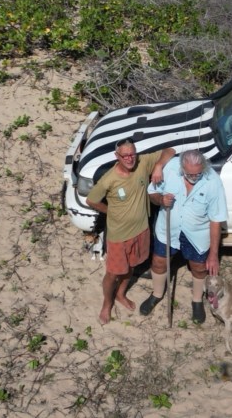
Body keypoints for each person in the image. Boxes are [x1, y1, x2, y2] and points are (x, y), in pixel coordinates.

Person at [86, 138, 175, 325]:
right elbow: (92, 200)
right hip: (119, 236)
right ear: (117, 156)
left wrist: (158, 166)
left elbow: (170, 150)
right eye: (125, 155)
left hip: (141, 230)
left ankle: (120, 294)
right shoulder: (109, 179)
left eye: (132, 153)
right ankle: (107, 303)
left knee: (131, 266)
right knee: (113, 273)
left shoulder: (142, 162)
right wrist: (110, 211)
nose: (129, 158)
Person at [140, 149, 227, 324]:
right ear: (181, 168)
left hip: (197, 235)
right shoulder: (170, 169)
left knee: (198, 267)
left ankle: (196, 300)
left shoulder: (213, 182)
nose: (194, 177)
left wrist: (213, 254)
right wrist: (161, 200)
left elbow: (216, 219)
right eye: (190, 174)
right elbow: (152, 193)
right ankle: (157, 294)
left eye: (198, 174)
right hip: (168, 229)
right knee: (158, 262)